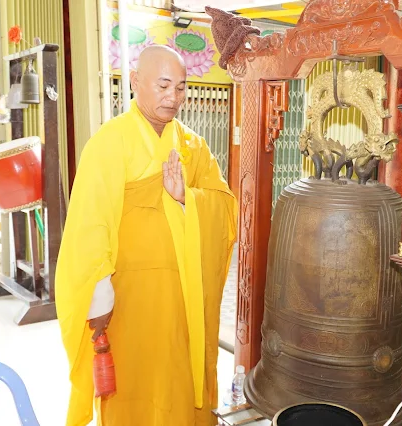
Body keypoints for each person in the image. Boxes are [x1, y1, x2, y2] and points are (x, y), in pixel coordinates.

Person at [55, 45, 238, 426]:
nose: (174, 97)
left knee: (178, 379)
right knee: (134, 386)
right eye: (164, 85)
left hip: (183, 295)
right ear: (136, 81)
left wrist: (187, 198)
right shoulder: (110, 142)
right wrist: (98, 294)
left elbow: (224, 206)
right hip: (127, 297)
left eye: (182, 87)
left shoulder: (193, 146)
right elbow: (90, 222)